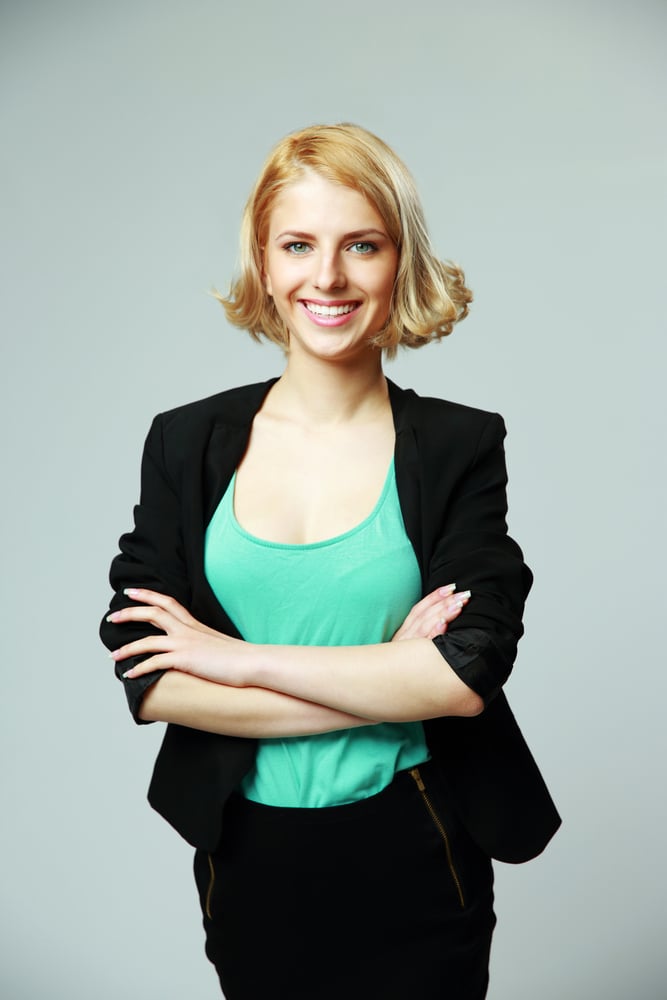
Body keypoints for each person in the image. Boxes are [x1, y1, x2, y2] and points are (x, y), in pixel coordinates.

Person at [100, 123, 560, 1000]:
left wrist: (236, 663)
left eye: (361, 245)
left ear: (398, 261)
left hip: (417, 845)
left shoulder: (460, 444)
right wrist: (391, 676)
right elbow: (149, 676)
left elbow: (463, 677)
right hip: (248, 855)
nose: (328, 277)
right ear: (265, 263)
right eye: (298, 245)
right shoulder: (186, 442)